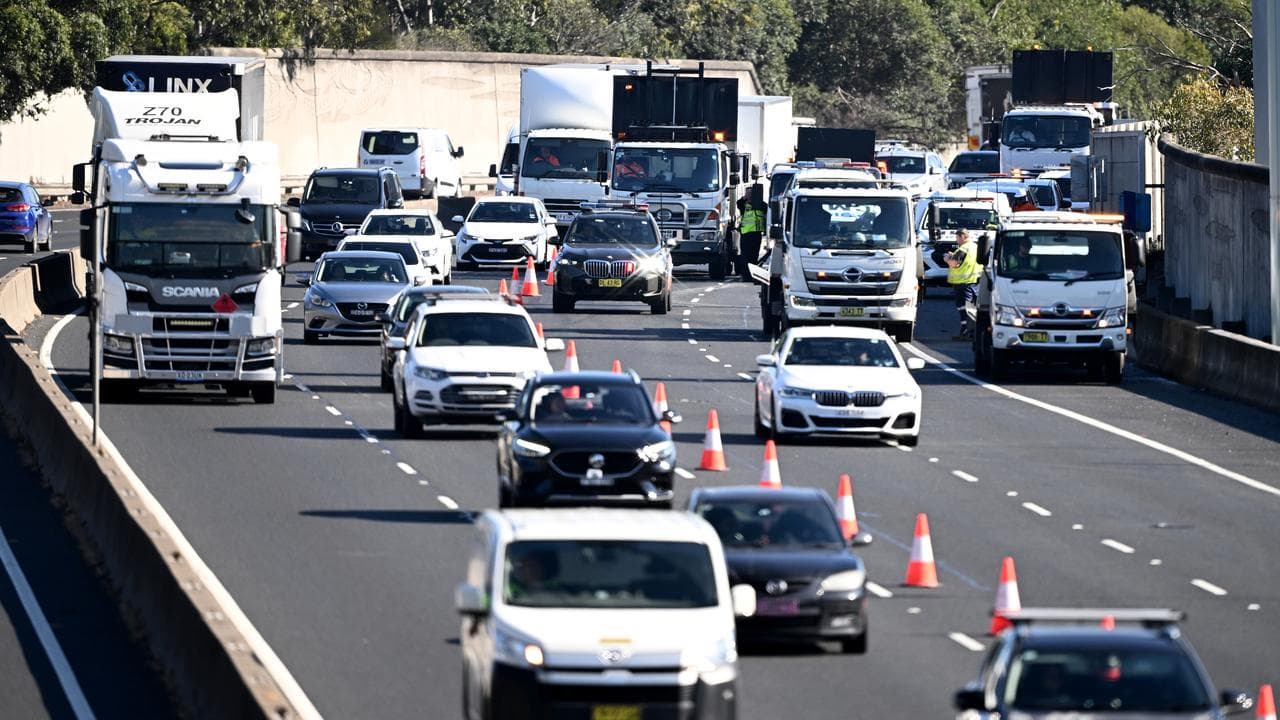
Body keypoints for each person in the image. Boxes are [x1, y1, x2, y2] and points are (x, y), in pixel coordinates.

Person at [945, 228, 983, 340]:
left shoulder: (963, 249)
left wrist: (947, 259)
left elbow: (953, 263)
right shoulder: (975, 247)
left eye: (957, 237)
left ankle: (967, 331)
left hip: (963, 284)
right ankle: (969, 331)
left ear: (962, 236)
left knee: (964, 308)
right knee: (971, 308)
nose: (956, 240)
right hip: (974, 282)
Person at [736, 184, 766, 280]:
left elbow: (766, 209)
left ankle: (752, 275)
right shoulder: (743, 205)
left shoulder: (760, 205)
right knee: (745, 256)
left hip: (756, 234)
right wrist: (745, 198)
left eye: (751, 193)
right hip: (746, 234)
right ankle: (745, 275)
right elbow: (738, 203)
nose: (749, 195)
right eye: (747, 193)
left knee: (754, 255)